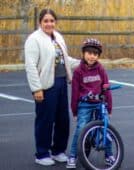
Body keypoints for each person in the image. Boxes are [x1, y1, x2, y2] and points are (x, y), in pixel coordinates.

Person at [24, 8, 79, 166]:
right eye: (46, 21)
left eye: (52, 21)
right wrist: (36, 89)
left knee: (63, 119)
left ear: (55, 22)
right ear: (40, 22)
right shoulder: (34, 39)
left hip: (61, 83)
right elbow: (31, 66)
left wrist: (81, 62)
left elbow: (64, 59)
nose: (49, 24)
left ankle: (58, 151)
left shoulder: (58, 37)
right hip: (46, 86)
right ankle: (42, 154)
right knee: (45, 120)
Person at [66, 38, 114, 169]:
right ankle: (73, 155)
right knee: (81, 128)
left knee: (106, 128)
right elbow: (75, 93)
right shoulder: (78, 71)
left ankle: (109, 155)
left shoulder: (101, 70)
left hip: (99, 103)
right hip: (85, 104)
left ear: (98, 56)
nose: (92, 56)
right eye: (89, 53)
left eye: (95, 54)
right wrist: (74, 111)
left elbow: (106, 89)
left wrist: (109, 108)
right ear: (83, 53)